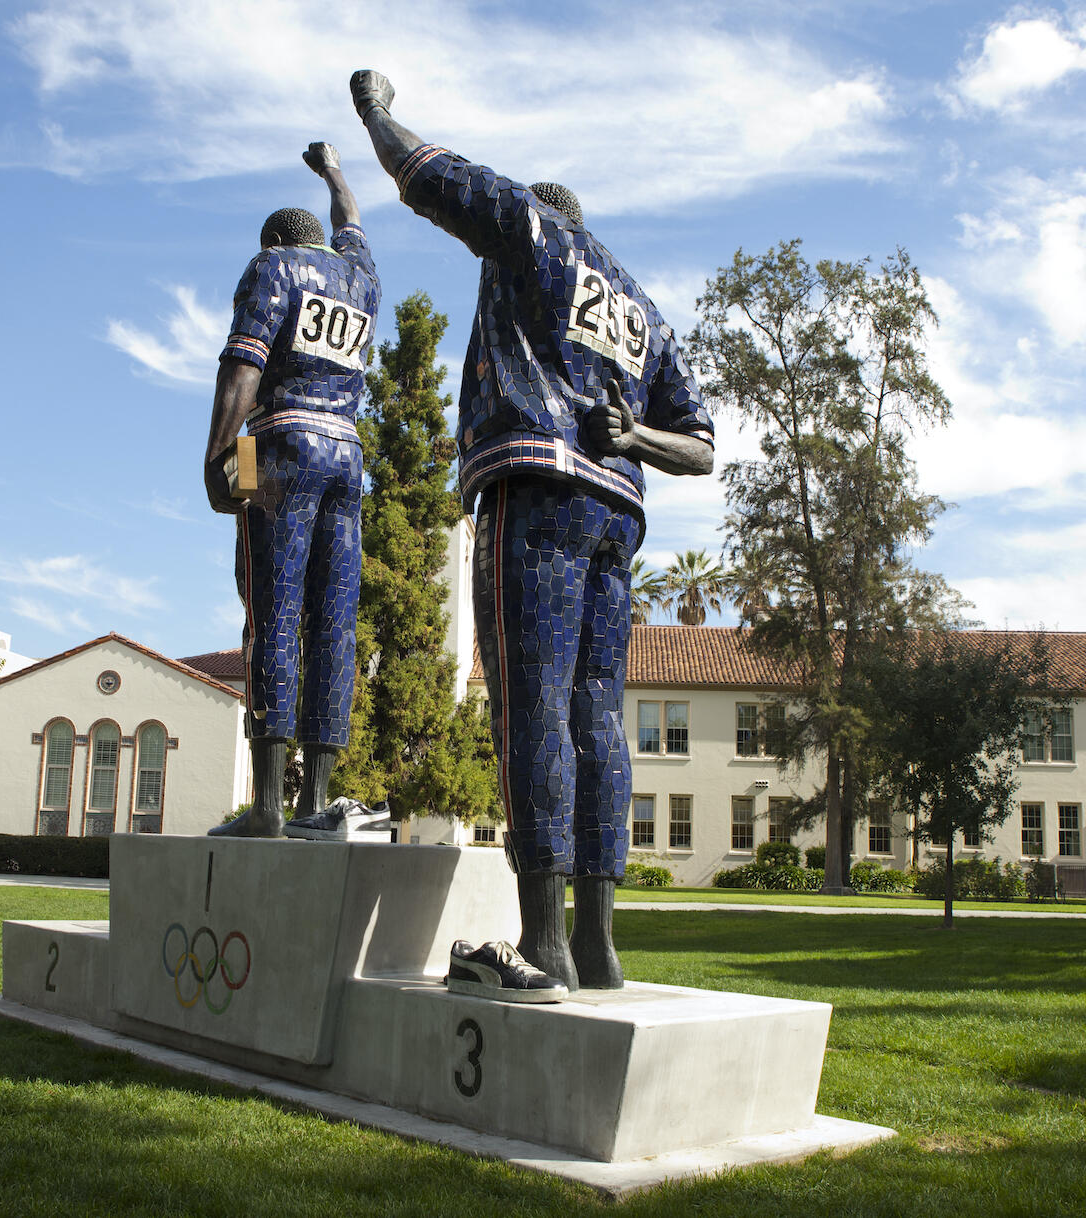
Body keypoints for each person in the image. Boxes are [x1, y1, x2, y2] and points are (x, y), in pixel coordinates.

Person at [350, 69, 715, 993]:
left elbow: (428, 175)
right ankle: (599, 941)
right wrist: (633, 436)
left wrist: (373, 110)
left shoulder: (536, 237)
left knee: (532, 702)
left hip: (539, 484)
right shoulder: (641, 309)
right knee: (599, 711)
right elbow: (702, 447)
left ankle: (542, 941)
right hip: (619, 510)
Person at [205, 141, 379, 837]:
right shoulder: (361, 280)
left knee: (271, 610)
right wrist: (334, 169)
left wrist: (220, 454)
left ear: (275, 240)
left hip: (277, 446)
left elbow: (243, 369)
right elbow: (354, 220)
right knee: (333, 620)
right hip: (348, 455)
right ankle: (319, 802)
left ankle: (271, 807)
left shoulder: (271, 267)